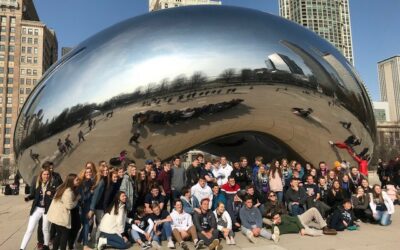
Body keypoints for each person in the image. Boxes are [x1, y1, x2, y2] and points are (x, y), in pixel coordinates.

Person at [20, 169, 56, 250]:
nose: (46, 176)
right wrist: (28, 198)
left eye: (47, 174)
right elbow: (34, 195)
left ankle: (46, 246)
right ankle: (22, 248)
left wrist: (51, 194)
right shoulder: (38, 184)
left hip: (46, 210)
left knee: (45, 229)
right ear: (41, 175)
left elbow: (56, 195)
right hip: (37, 209)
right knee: (29, 230)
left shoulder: (52, 185)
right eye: (44, 174)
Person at [47, 173, 81, 250]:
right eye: (76, 180)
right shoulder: (68, 192)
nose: (78, 181)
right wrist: (77, 199)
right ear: (71, 181)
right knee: (64, 236)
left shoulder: (62, 188)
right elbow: (69, 206)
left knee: (59, 235)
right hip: (62, 218)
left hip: (56, 217)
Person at [271, 207, 337, 236]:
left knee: (313, 210)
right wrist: (273, 224)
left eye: (278, 217)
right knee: (312, 233)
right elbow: (274, 233)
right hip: (300, 229)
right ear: (273, 220)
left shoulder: (284, 217)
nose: (278, 218)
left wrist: (302, 228)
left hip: (300, 219)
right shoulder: (277, 228)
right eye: (276, 218)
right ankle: (323, 231)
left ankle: (325, 227)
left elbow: (296, 219)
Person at [77, 164, 95, 250]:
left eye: (90, 172)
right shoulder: (82, 183)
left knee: (86, 224)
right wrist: (91, 192)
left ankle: (80, 241)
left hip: (87, 207)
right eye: (87, 172)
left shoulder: (90, 182)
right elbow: (82, 198)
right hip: (83, 208)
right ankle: (85, 245)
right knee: (86, 224)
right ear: (84, 173)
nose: (88, 173)